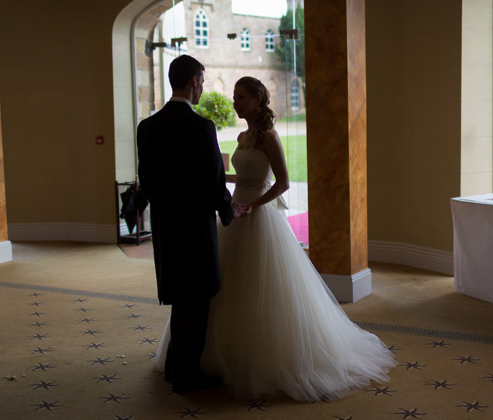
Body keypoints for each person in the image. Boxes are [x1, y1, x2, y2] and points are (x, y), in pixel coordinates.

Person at [157, 76, 396, 401]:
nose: (236, 103)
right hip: (233, 214)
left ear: (258, 99)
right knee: (223, 286)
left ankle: (259, 360)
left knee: (259, 287)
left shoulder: (269, 135)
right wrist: (219, 186)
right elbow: (237, 177)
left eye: (241, 97)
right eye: (234, 97)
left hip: (258, 217)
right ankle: (208, 357)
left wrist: (251, 206)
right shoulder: (242, 136)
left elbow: (282, 182)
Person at [137, 55, 247, 393]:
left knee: (180, 298)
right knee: (197, 302)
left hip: (167, 227)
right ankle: (187, 376)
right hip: (195, 230)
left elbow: (148, 180)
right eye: (202, 80)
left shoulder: (147, 127)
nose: (202, 86)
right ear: (194, 80)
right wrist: (230, 212)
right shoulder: (202, 127)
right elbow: (214, 183)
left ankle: (175, 366)